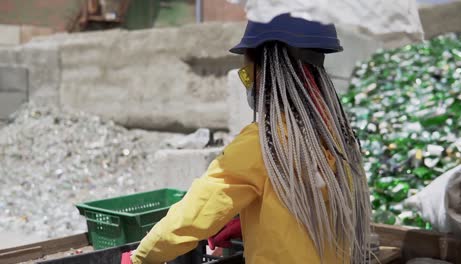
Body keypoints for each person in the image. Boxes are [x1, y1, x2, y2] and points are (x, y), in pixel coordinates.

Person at [129, 13, 371, 264]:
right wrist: (249, 221)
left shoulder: (263, 144)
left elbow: (193, 216)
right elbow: (310, 213)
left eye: (246, 73)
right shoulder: (336, 138)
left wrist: (139, 258)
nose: (247, 81)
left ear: (265, 70)